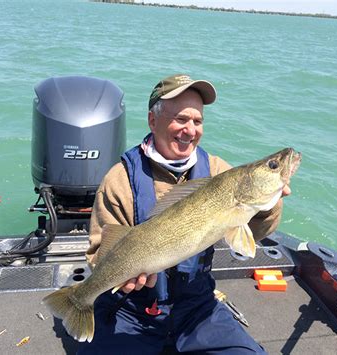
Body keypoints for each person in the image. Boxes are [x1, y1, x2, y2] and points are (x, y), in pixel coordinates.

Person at [81, 74, 290, 354]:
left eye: (197, 121)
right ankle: (77, 301)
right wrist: (124, 279)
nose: (190, 130)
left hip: (198, 311)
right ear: (153, 121)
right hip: (130, 312)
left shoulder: (220, 172)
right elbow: (100, 251)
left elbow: (252, 234)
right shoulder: (119, 179)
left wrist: (270, 204)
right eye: (180, 119)